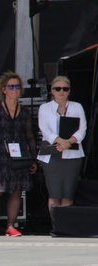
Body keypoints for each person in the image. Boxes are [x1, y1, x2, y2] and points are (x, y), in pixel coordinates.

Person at [0, 72, 37, 237]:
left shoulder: (24, 112)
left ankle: (11, 225)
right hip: (0, 156)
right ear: (4, 89)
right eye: (11, 86)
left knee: (16, 190)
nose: (14, 90)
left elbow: (29, 135)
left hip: (19, 156)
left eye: (17, 86)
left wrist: (33, 158)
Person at [36, 75, 87, 213]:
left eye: (65, 88)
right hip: (52, 155)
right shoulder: (44, 108)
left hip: (72, 155)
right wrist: (60, 141)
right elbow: (44, 129)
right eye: (57, 88)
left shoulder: (77, 107)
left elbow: (82, 129)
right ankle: (56, 225)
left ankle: (66, 225)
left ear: (69, 91)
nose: (61, 91)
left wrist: (68, 142)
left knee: (68, 193)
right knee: (54, 192)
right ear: (52, 90)